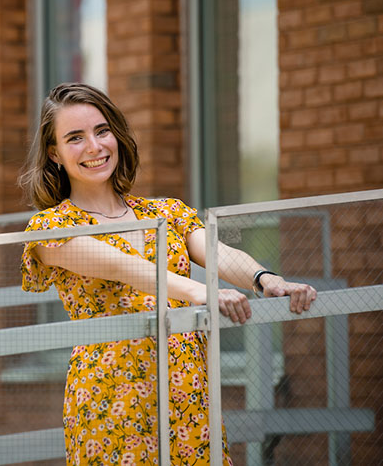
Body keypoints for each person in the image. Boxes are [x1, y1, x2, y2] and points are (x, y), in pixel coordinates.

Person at [18, 82, 317, 465]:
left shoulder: (166, 212)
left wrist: (266, 279)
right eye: (75, 138)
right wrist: (200, 292)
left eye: (102, 130)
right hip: (112, 396)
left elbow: (218, 252)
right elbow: (122, 267)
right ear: (54, 153)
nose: (94, 147)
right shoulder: (53, 227)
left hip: (189, 386)